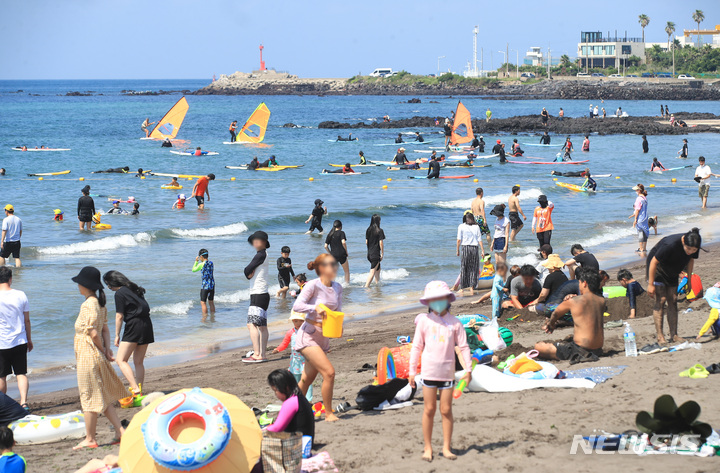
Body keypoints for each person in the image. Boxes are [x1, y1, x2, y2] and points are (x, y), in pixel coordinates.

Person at [409, 281, 471, 462]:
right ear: (428, 302)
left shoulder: (455, 324)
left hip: (447, 374)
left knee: (446, 410)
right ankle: (427, 447)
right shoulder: (424, 322)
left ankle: (446, 447)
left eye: (440, 298)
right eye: (433, 299)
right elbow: (416, 347)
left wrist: (468, 369)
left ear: (447, 299)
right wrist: (412, 371)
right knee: (429, 409)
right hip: (429, 373)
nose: (437, 301)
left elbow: (464, 347)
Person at [71, 266, 127, 450]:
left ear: (85, 285)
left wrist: (103, 350)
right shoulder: (100, 303)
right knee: (101, 397)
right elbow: (104, 329)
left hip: (89, 354)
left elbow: (94, 333)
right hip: (94, 353)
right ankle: (121, 432)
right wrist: (107, 349)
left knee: (88, 397)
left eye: (79, 283)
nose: (78, 286)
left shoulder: (88, 304)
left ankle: (90, 438)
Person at [292, 253, 343, 422]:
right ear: (321, 268)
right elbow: (297, 305)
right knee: (329, 373)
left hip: (324, 337)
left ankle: (291, 410)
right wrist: (316, 307)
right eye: (330, 264)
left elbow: (337, 311)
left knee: (307, 379)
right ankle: (328, 413)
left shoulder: (338, 287)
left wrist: (339, 326)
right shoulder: (313, 286)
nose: (334, 267)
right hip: (308, 335)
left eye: (335, 264)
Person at [535, 268, 605, 363]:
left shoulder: (573, 301)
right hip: (598, 350)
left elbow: (555, 313)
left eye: (579, 283)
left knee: (538, 346)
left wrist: (551, 324)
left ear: (584, 283)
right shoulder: (601, 301)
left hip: (580, 351)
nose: (579, 285)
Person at [103, 271, 153, 399]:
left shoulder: (119, 293)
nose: (109, 288)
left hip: (134, 325)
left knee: (121, 360)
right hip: (147, 324)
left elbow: (119, 316)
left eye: (108, 285)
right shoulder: (134, 288)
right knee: (138, 362)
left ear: (112, 283)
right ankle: (139, 390)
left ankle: (135, 389)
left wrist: (116, 335)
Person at [647, 228, 701, 343]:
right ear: (683, 242)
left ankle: (674, 335)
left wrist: (689, 281)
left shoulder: (694, 242)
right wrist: (650, 284)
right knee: (660, 300)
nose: (690, 251)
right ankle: (660, 336)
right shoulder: (670, 244)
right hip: (658, 268)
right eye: (688, 249)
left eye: (694, 250)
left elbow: (691, 260)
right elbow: (653, 262)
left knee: (673, 300)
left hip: (672, 269)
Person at [0, 267, 31, 410]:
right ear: (10, 279)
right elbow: (27, 321)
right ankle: (23, 402)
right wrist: (29, 340)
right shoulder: (20, 295)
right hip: (19, 341)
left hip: (2, 343)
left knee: (1, 377)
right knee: (21, 373)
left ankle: (2, 406)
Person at [271, 313, 313, 401]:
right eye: (295, 321)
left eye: (301, 321)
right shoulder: (291, 332)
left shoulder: (308, 331)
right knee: (295, 380)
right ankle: (297, 398)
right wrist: (278, 349)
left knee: (307, 380)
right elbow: (284, 343)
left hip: (307, 360)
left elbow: (315, 342)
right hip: (295, 361)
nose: (298, 323)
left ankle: (308, 399)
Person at [244, 231, 271, 363]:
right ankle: (262, 355)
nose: (255, 242)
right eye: (253, 240)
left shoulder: (260, 254)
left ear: (264, 242)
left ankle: (257, 354)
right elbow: (249, 270)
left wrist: (248, 273)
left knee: (251, 324)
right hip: (263, 294)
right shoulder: (264, 254)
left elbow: (247, 269)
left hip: (258, 293)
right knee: (262, 326)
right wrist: (249, 273)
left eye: (258, 240)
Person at [264, 369, 315, 440]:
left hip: (297, 445)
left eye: (275, 390)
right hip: (307, 441)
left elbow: (277, 428)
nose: (275, 394)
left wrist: (263, 430)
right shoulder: (299, 397)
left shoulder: (290, 402)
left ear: (286, 388)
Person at [456, 212, 484, 296]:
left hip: (465, 248)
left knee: (464, 267)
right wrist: (482, 250)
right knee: (474, 268)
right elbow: (479, 239)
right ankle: (472, 286)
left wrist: (457, 250)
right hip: (474, 248)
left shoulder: (461, 226)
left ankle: (462, 288)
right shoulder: (476, 227)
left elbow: (458, 240)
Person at [192, 249, 215, 316]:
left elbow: (193, 270)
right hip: (212, 285)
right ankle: (213, 316)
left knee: (203, 302)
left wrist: (196, 261)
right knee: (211, 302)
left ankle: (204, 317)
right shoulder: (211, 263)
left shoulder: (201, 264)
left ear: (201, 256)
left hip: (205, 286)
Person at [365, 214, 385, 287]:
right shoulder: (379, 231)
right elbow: (381, 243)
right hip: (375, 254)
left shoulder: (368, 230)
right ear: (378, 221)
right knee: (372, 272)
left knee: (378, 269)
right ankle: (366, 287)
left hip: (369, 254)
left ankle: (377, 285)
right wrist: (382, 253)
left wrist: (370, 249)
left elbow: (366, 242)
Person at [630, 184, 650, 254]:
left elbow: (637, 210)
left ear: (639, 190)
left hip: (640, 218)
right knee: (645, 232)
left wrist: (635, 219)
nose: (635, 191)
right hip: (645, 217)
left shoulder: (639, 199)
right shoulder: (644, 198)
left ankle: (641, 248)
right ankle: (644, 248)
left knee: (640, 233)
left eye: (636, 190)